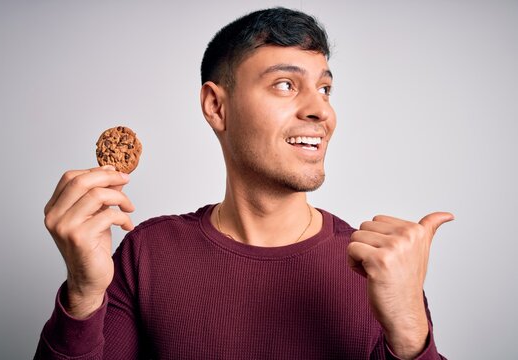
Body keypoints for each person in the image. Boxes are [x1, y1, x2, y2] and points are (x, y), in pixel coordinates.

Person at [35, 7, 453, 360]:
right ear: (216, 106)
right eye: (286, 85)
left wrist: (410, 330)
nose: (320, 110)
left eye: (325, 88)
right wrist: (84, 296)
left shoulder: (379, 267)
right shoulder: (146, 254)